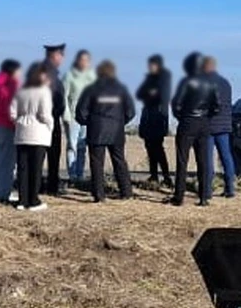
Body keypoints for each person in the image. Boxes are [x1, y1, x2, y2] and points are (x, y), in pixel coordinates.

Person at [75, 59, 135, 203]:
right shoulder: (121, 89)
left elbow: (81, 112)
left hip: (97, 130)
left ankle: (99, 195)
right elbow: (131, 111)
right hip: (116, 131)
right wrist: (120, 122)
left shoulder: (91, 89)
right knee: (119, 161)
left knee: (97, 163)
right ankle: (126, 192)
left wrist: (89, 122)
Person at [170, 51, 220, 207]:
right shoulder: (211, 83)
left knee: (182, 160)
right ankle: (204, 196)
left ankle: (179, 196)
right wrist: (206, 116)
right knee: (203, 161)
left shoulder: (186, 82)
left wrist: (183, 117)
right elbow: (217, 106)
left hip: (187, 123)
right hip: (204, 124)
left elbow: (176, 104)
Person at [10, 62, 54, 211]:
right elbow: (44, 114)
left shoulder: (21, 90)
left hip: (22, 132)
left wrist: (20, 121)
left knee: (23, 167)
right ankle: (33, 200)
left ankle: (22, 200)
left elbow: (12, 112)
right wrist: (50, 126)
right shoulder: (43, 91)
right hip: (38, 133)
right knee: (36, 168)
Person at [0, 58, 21, 203]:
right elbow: (12, 103)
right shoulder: (11, 83)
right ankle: (2, 193)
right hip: (8, 124)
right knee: (7, 161)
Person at [202, 56, 236, 200]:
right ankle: (230, 188)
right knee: (226, 157)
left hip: (209, 126)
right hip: (224, 126)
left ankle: (207, 190)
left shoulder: (204, 83)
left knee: (207, 159)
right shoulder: (225, 83)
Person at [136, 54, 172, 186]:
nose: (150, 67)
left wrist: (151, 93)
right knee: (149, 148)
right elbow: (139, 93)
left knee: (158, 149)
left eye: (153, 65)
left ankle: (166, 176)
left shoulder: (164, 77)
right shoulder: (149, 78)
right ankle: (154, 175)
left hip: (158, 118)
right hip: (147, 118)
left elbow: (162, 96)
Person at [64, 49, 95, 182]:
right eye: (82, 59)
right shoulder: (69, 76)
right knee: (72, 145)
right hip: (73, 117)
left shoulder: (93, 76)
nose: (84, 62)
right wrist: (66, 115)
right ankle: (72, 174)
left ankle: (80, 173)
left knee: (83, 146)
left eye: (86, 60)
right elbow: (64, 97)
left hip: (88, 117)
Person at [42, 44, 67, 195]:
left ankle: (45, 185)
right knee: (50, 155)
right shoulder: (49, 74)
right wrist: (56, 113)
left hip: (47, 118)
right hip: (49, 119)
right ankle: (50, 187)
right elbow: (57, 100)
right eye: (61, 55)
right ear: (55, 56)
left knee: (45, 155)